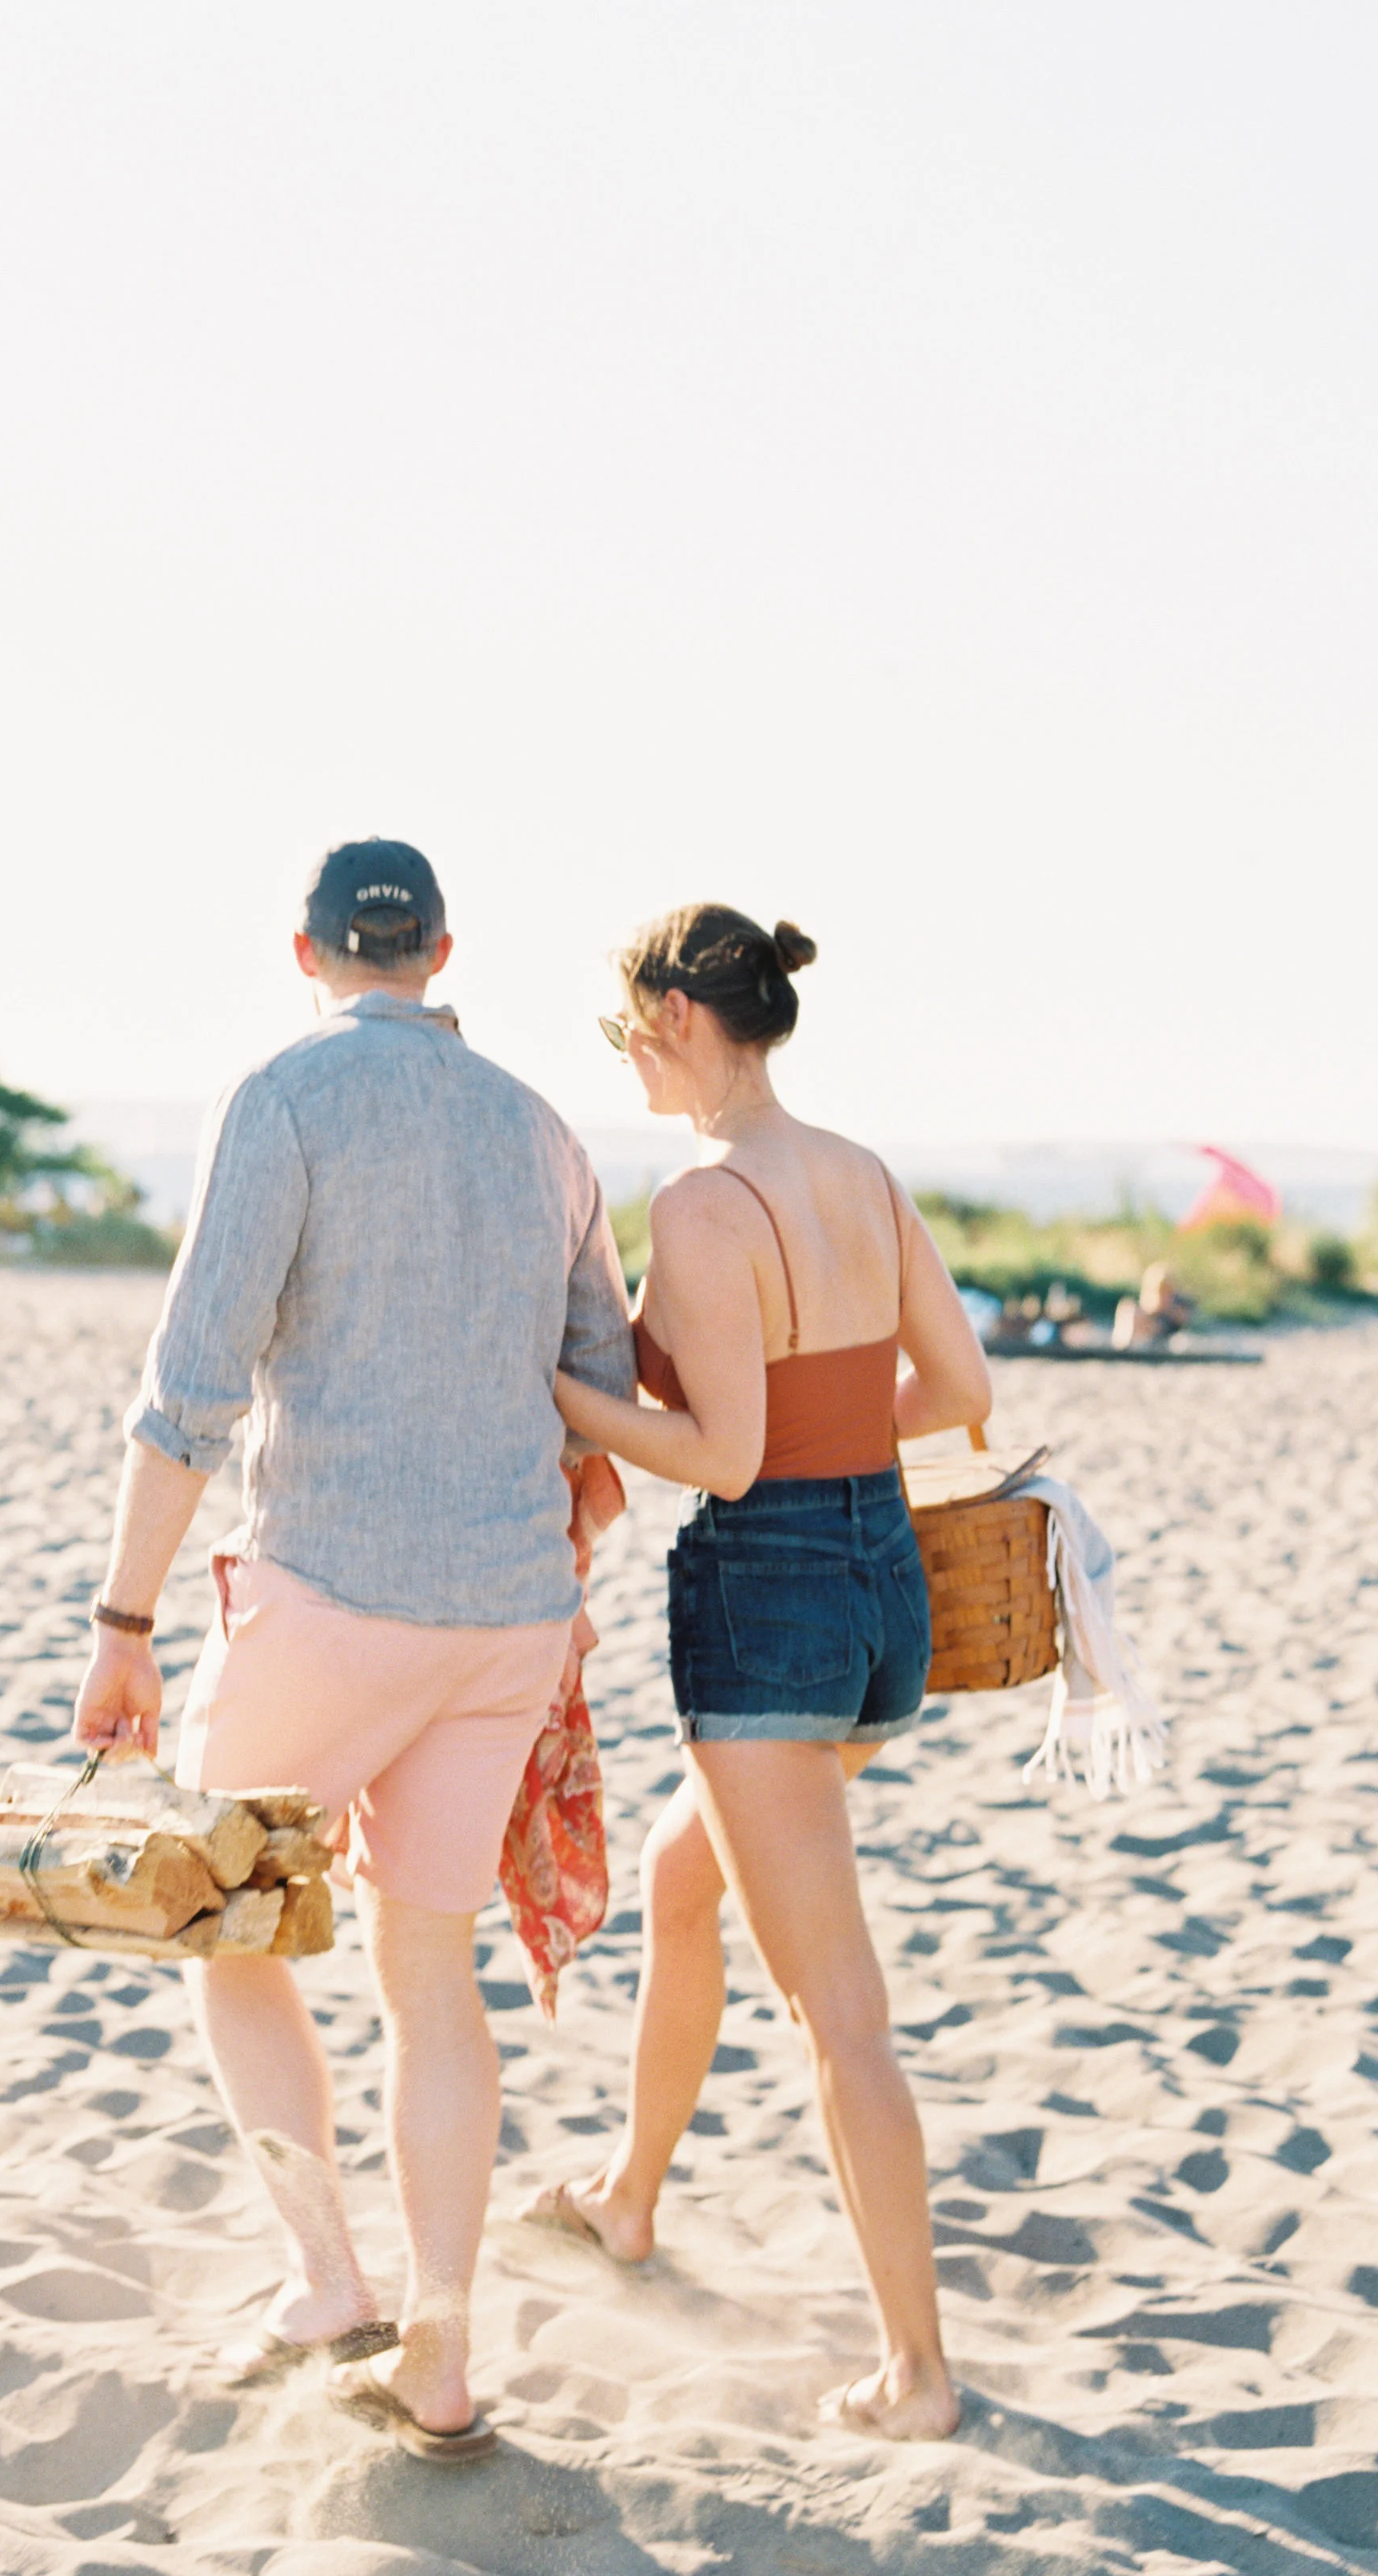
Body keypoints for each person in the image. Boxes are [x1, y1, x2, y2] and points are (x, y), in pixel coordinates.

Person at [71, 840, 633, 2463]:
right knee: (424, 1966)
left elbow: (189, 1387)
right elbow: (597, 1378)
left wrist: (124, 1625)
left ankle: (326, 2280)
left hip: (331, 1589)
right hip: (504, 1612)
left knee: (229, 1923)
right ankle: (439, 2350)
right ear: (440, 950)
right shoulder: (539, 1127)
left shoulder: (282, 1096)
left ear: (305, 949)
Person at [525, 902, 990, 2442]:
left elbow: (715, 1456)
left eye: (629, 1031)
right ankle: (632, 2196)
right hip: (878, 1608)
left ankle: (916, 2374)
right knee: (682, 1879)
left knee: (838, 2012)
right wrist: (825, 1447)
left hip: (769, 1611)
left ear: (677, 1012)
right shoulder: (863, 1173)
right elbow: (963, 1387)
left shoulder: (710, 1203)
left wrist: (571, 1396)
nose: (630, 1062)